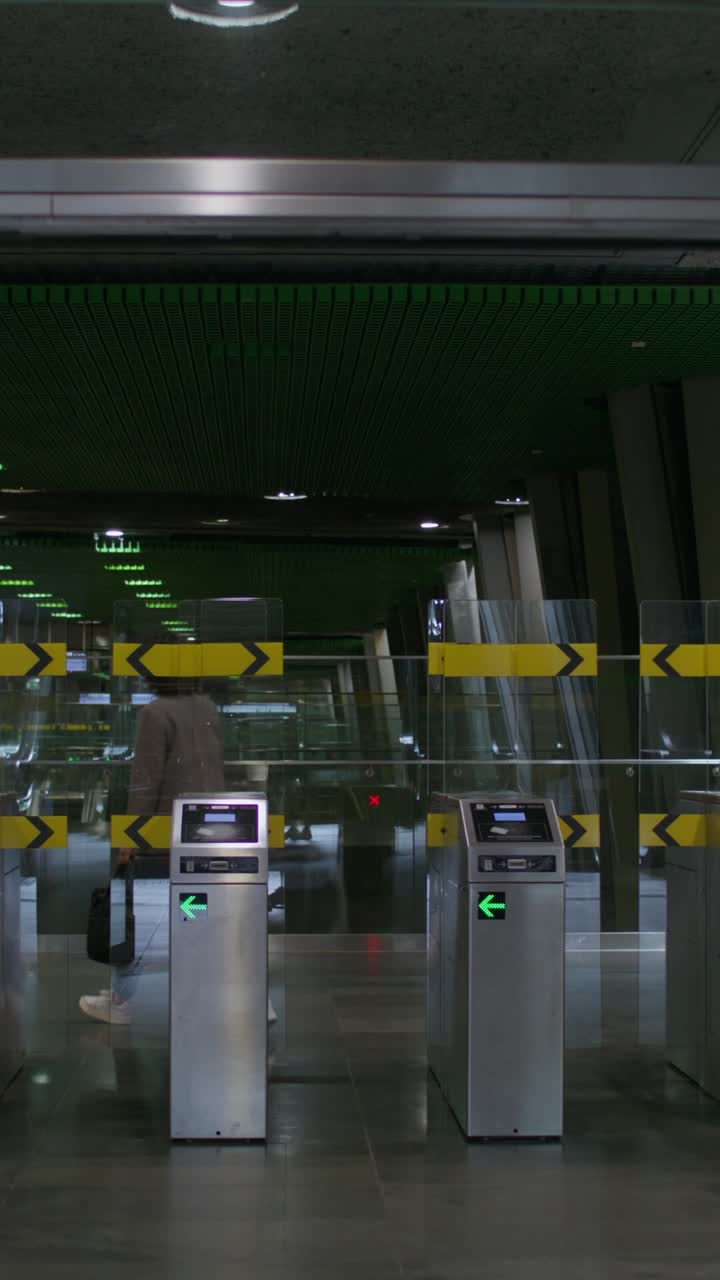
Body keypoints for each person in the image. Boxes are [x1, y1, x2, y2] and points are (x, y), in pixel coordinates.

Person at [80, 675, 225, 1025]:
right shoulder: (207, 708)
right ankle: (203, 993)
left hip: (165, 834)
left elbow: (146, 779)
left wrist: (131, 835)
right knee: (193, 912)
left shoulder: (155, 714)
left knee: (137, 920)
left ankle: (119, 998)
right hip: (206, 829)